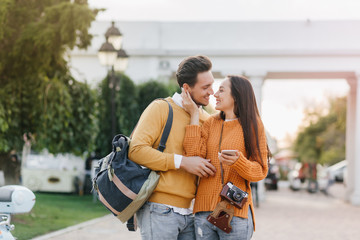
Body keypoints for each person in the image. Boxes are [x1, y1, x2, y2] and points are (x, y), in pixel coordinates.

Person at [128, 55, 217, 240]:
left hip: (192, 213)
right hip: (159, 209)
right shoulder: (161, 108)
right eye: (205, 87)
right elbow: (135, 150)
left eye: (212, 85)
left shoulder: (207, 120)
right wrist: (182, 162)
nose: (212, 91)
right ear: (186, 88)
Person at [182, 75, 270, 240]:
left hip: (235, 213)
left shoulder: (253, 125)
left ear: (236, 95)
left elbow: (260, 171)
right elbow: (193, 156)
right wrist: (194, 114)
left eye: (221, 90)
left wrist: (239, 162)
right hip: (203, 212)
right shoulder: (210, 123)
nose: (215, 94)